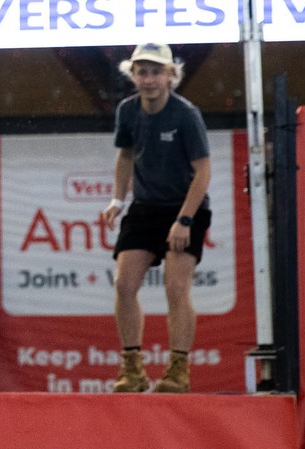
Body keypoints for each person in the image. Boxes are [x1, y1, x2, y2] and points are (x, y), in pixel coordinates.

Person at [101, 43, 212, 393]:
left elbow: (203, 171)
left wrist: (185, 220)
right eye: (142, 72)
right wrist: (118, 199)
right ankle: (133, 369)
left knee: (175, 288)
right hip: (145, 207)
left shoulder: (185, 114)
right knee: (124, 284)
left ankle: (178, 370)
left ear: (170, 75)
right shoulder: (127, 110)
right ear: (133, 75)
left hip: (185, 206)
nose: (149, 80)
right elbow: (125, 155)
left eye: (156, 72)